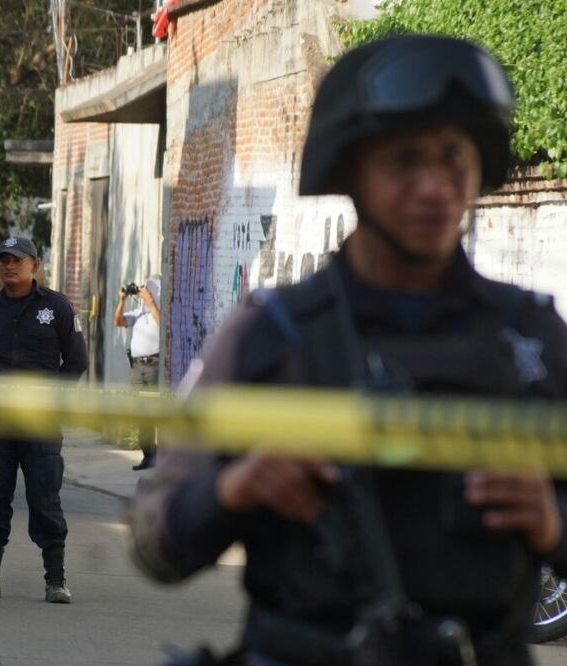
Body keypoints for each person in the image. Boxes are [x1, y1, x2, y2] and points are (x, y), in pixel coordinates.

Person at [127, 35, 567, 665]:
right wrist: (236, 488)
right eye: (404, 161)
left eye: (454, 158)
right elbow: (153, 544)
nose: (435, 186)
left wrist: (551, 522)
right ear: (351, 168)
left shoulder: (532, 340)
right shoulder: (272, 335)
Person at [0, 236, 87, 604]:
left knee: (44, 497)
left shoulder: (57, 308)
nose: (8, 266)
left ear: (35, 265)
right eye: (3, 260)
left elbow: (76, 362)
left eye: (16, 260)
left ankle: (56, 579)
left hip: (40, 424)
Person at [114, 276, 162, 469]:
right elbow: (119, 321)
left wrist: (151, 302)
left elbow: (163, 324)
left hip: (154, 366)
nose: (144, 293)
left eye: (149, 289)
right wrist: (122, 300)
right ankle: (148, 455)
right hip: (137, 368)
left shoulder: (160, 309)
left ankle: (162, 455)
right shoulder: (140, 311)